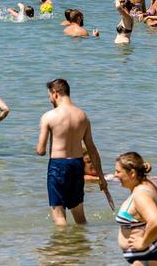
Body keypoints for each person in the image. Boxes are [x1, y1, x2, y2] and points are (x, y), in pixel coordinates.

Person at [36, 78, 110, 226]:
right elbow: (92, 149)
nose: (49, 99)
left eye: (49, 96)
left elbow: (41, 150)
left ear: (55, 93)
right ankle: (81, 247)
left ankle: (65, 247)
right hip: (77, 165)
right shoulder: (83, 116)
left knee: (58, 216)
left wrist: (38, 148)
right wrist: (101, 178)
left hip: (58, 165)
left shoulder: (49, 116)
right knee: (79, 216)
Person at [115, 152, 157, 265]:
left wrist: (143, 243)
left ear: (132, 173)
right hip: (153, 252)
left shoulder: (141, 194)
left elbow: (156, 221)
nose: (115, 175)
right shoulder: (148, 185)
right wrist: (155, 232)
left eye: (118, 171)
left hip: (149, 255)